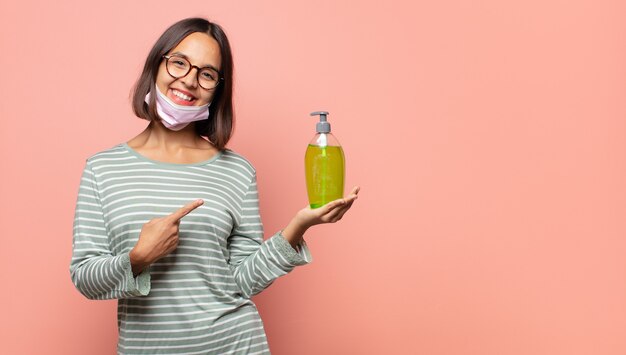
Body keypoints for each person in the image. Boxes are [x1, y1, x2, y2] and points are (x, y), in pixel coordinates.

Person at [69, 17, 359, 354]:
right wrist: (136, 258)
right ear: (156, 66)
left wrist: (298, 226)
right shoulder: (103, 169)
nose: (189, 81)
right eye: (179, 63)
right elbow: (85, 278)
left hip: (235, 345)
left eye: (206, 74)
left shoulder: (236, 170)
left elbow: (241, 280)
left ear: (217, 88)